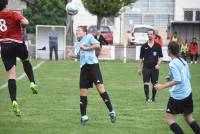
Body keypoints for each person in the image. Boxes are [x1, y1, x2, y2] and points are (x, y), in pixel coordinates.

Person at [68, 26, 116, 125]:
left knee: (100, 89)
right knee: (82, 92)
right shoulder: (77, 43)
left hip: (93, 66)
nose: (77, 32)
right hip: (84, 68)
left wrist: (86, 48)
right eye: (76, 30)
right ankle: (84, 116)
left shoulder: (89, 37)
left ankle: (111, 111)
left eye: (79, 30)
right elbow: (79, 55)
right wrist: (71, 55)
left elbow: (97, 45)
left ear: (85, 32)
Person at [0, 0, 38, 116]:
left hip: (4, 46)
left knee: (11, 75)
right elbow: (25, 22)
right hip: (17, 43)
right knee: (25, 60)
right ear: (6, 4)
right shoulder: (13, 14)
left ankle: (14, 101)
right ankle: (32, 82)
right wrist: (22, 25)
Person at [155, 42, 200, 134]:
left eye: (167, 49)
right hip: (188, 93)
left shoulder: (172, 63)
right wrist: (170, 77)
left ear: (170, 51)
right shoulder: (183, 61)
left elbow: (178, 80)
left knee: (170, 120)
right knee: (189, 118)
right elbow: (188, 77)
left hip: (178, 96)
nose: (167, 50)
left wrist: (161, 86)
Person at [138, 29, 163, 102]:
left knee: (155, 84)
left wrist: (158, 64)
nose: (149, 35)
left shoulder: (158, 46)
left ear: (154, 35)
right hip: (146, 67)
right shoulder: (144, 46)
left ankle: (153, 98)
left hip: (154, 68)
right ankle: (147, 98)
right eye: (148, 34)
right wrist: (139, 68)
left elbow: (161, 57)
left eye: (151, 34)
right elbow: (141, 58)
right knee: (146, 83)